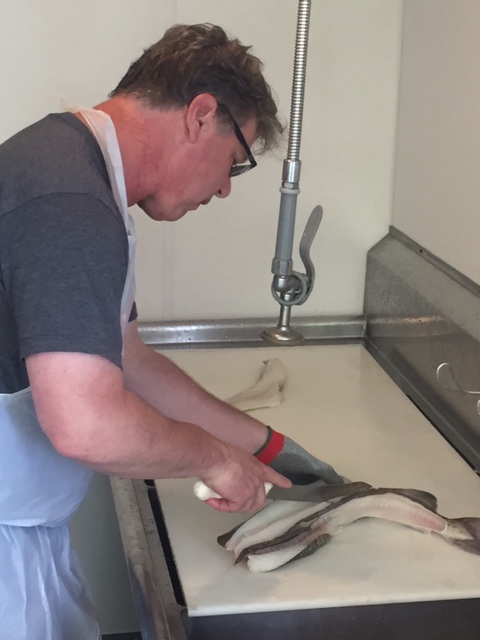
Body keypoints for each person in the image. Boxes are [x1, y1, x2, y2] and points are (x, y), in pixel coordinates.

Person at [0, 23, 343, 640]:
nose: (224, 189)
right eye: (235, 161)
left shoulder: (76, 172)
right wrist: (213, 458)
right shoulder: (69, 207)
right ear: (202, 114)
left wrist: (269, 448)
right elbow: (85, 423)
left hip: (21, 530)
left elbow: (129, 358)